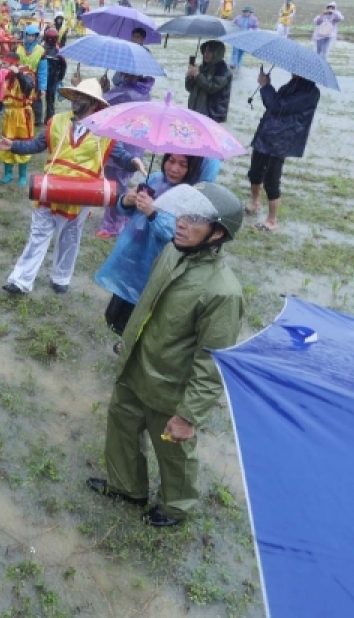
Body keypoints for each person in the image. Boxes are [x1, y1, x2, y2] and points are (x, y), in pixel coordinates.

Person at [88, 182, 244, 528]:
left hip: (171, 387)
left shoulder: (222, 291)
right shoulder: (172, 251)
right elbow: (145, 306)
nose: (182, 222)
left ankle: (176, 507)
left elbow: (213, 363)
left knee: (174, 450)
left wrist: (188, 416)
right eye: (184, 213)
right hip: (136, 366)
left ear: (217, 233)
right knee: (122, 425)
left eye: (195, 220)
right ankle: (127, 487)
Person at [0, 79, 144, 295]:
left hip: (82, 195)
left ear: (94, 104)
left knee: (70, 237)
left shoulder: (104, 131)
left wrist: (134, 162)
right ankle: (20, 281)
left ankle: (61, 277)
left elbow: (120, 155)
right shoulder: (57, 121)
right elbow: (38, 144)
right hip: (51, 188)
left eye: (82, 97)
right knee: (38, 234)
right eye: (76, 96)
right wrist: (14, 145)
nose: (76, 100)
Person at [95, 154, 218, 340]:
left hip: (155, 261)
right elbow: (128, 210)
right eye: (171, 161)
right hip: (132, 254)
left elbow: (178, 234)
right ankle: (122, 334)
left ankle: (130, 346)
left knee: (142, 309)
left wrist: (153, 213)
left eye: (183, 164)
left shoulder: (191, 196)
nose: (174, 168)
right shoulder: (154, 179)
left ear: (192, 168)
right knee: (117, 309)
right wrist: (126, 201)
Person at [246, 70, 321, 232]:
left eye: (297, 68)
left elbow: (277, 106)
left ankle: (272, 220)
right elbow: (274, 104)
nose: (293, 70)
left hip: (282, 140)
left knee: (272, 180)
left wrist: (266, 86)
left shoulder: (309, 92)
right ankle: (256, 202)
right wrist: (267, 86)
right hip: (267, 134)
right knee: (255, 172)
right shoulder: (292, 84)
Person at [0, 68, 38, 186]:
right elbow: (1, 99)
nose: (3, 66)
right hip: (9, 115)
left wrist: (18, 74)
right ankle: (8, 174)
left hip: (23, 115)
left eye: (6, 64)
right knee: (7, 142)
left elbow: (27, 87)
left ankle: (22, 175)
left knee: (23, 144)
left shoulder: (27, 75)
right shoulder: (5, 77)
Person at [184, 40, 232, 123]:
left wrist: (197, 75)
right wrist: (189, 77)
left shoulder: (223, 71)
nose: (206, 54)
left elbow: (211, 87)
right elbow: (190, 88)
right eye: (205, 51)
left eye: (210, 51)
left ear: (217, 53)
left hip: (212, 115)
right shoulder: (202, 67)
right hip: (196, 112)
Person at [40, 28, 67, 125]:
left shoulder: (42, 48)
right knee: (49, 101)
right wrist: (60, 77)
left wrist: (59, 78)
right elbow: (64, 66)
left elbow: (63, 66)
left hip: (49, 79)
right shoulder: (58, 50)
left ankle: (45, 120)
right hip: (51, 79)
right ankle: (48, 121)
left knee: (45, 101)